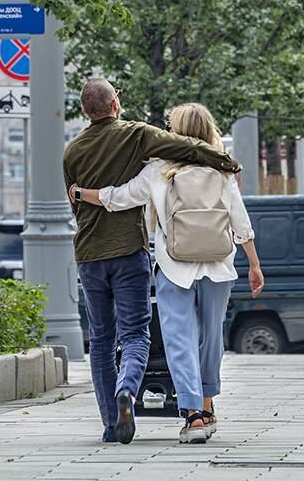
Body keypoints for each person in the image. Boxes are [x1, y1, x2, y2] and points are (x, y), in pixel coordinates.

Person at [69, 102, 264, 444]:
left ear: (175, 134)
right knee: (211, 339)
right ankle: (207, 404)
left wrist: (83, 194)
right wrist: (255, 264)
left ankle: (193, 415)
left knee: (179, 340)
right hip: (219, 266)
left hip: (174, 266)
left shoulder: (159, 170)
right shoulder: (222, 169)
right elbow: (239, 218)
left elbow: (120, 198)